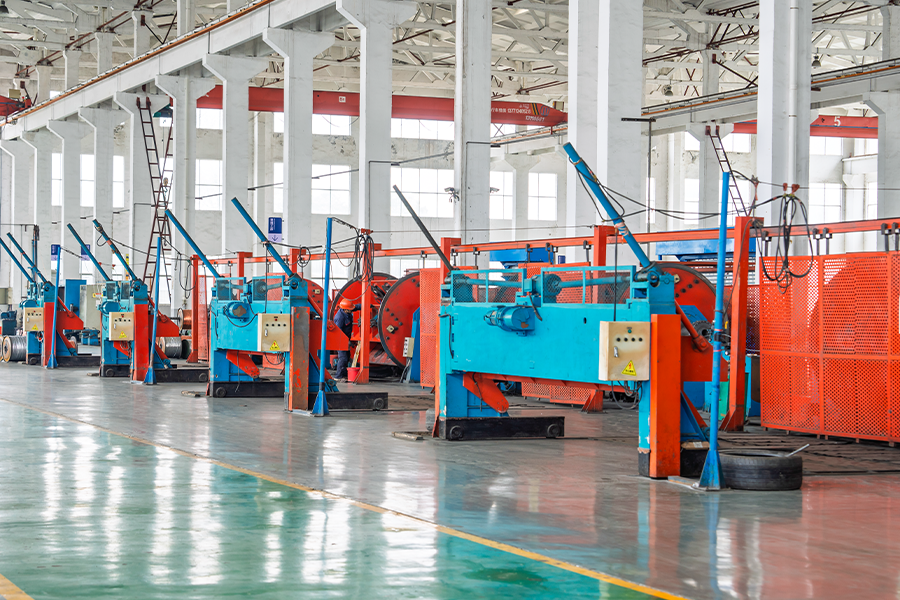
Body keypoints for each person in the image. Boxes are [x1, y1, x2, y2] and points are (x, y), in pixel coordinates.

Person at [333, 298, 358, 380]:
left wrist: (368, 305)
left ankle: (344, 374)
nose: (351, 311)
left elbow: (356, 307)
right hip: (340, 340)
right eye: (350, 309)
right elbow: (338, 332)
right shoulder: (340, 318)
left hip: (346, 338)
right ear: (345, 309)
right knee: (343, 358)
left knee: (347, 356)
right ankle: (338, 376)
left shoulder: (346, 310)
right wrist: (346, 342)